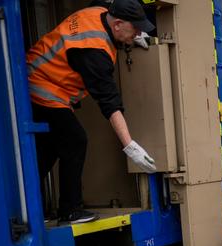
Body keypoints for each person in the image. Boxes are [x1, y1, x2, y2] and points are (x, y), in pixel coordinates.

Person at [27, 0, 157, 224]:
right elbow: (109, 102)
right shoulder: (93, 51)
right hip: (42, 85)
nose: (137, 33)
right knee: (75, 140)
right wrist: (129, 145)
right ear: (116, 24)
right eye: (135, 28)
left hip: (37, 76)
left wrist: (133, 38)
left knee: (48, 149)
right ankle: (70, 210)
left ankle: (28, 206)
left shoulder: (100, 11)